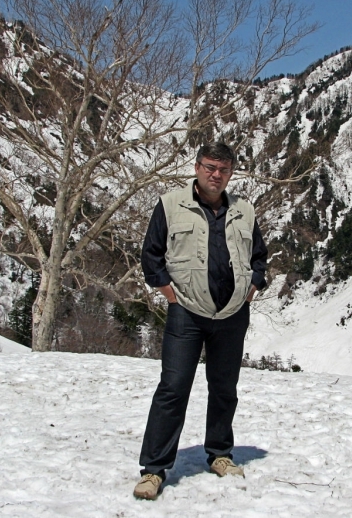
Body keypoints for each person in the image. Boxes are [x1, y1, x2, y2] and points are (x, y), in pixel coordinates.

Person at [134, 142, 268, 501]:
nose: (216, 175)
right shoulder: (170, 205)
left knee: (224, 388)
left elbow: (259, 257)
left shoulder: (244, 210)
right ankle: (154, 470)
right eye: (210, 167)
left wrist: (251, 289)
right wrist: (170, 296)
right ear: (196, 167)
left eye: (223, 169)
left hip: (232, 315)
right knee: (173, 388)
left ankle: (220, 454)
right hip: (187, 313)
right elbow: (151, 255)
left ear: (231, 173)